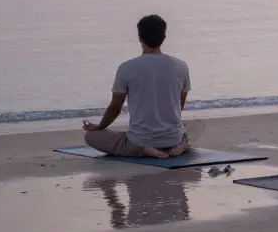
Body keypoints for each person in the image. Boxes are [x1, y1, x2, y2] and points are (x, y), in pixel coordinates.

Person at [82, 15, 198, 159]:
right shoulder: (181, 66)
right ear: (164, 37)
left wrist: (100, 126)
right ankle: (181, 146)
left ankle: (142, 150)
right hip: (173, 138)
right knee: (192, 129)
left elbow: (115, 107)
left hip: (141, 141)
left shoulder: (126, 68)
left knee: (91, 137)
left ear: (139, 37)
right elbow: (179, 105)